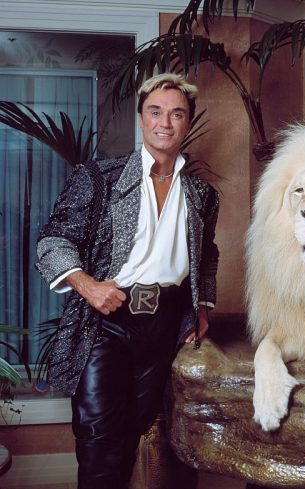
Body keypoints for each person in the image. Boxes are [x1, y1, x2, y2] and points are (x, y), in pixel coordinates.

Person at [35, 73, 219, 489]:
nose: (165, 123)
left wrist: (202, 306)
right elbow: (53, 241)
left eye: (176, 114)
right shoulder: (100, 177)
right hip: (107, 323)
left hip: (166, 327)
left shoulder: (202, 195)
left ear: (187, 123)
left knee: (142, 431)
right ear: (140, 119)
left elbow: (207, 256)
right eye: (155, 112)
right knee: (101, 442)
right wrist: (88, 285)